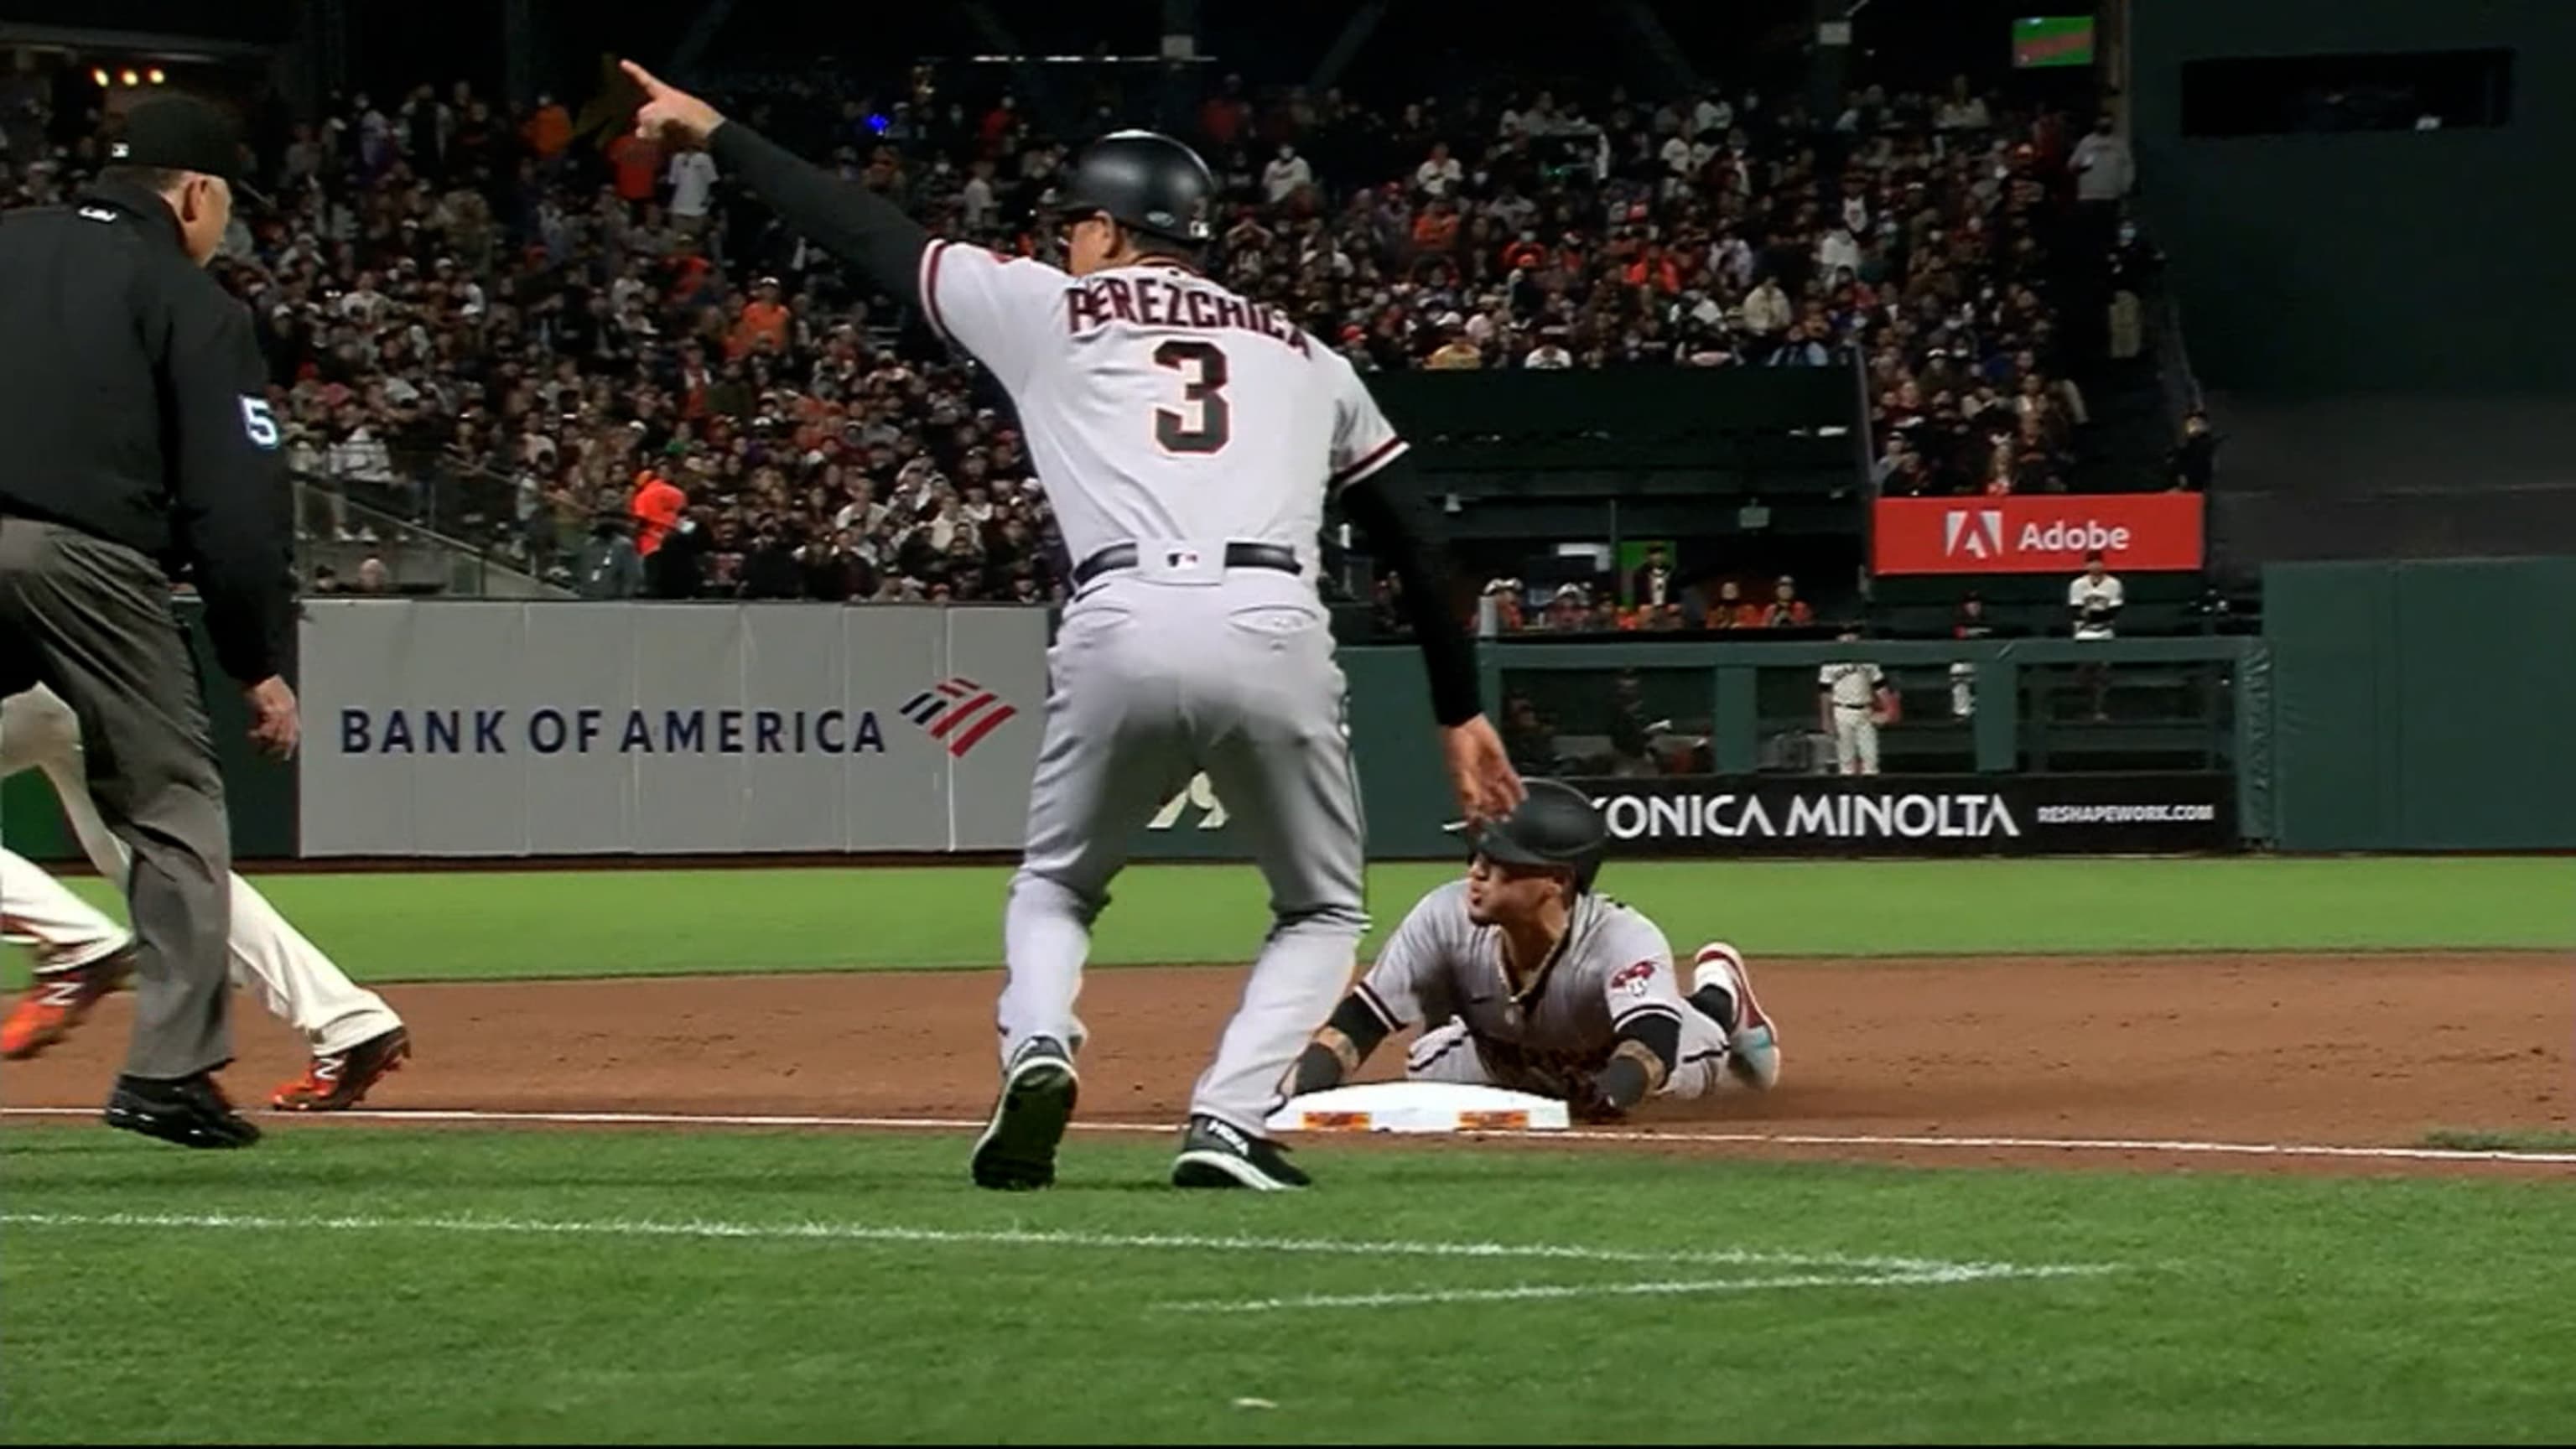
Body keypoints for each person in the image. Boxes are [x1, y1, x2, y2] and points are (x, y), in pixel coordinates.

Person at [625, 62, 1523, 1192]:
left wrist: (714, 128)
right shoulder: (1305, 352)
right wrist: (1458, 706)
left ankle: (1042, 1043)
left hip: (1121, 613)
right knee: (1321, 906)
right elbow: (1413, 538)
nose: (1062, 246)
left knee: (1056, 885)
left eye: (1070, 228)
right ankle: (1229, 1121)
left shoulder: (1049, 309)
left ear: (1105, 227)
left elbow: (861, 229)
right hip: (1273, 620)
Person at [0, 95, 299, 1150]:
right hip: (81, 554)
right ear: (197, 193)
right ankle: (167, 1076)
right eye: (229, 208)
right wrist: (254, 658)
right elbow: (235, 505)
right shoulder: (189, 298)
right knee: (171, 807)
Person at [0, 685, 411, 1109]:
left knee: (160, 863)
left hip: (27, 673)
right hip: (96, 679)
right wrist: (259, 675)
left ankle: (75, 943)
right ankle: (348, 1022)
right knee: (163, 865)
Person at [1286, 780, 1779, 1119]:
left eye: (1499, 860)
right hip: (1510, 1061)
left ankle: (1721, 997)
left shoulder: (1623, 937)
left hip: (1654, 1055)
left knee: (1687, 1066)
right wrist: (1296, 1090)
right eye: (1476, 855)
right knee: (1427, 1066)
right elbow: (1361, 1021)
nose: (1476, 872)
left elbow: (1652, 1043)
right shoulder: (1444, 915)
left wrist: (1613, 1094)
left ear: (1557, 881)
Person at [1818, 625, 1894, 776]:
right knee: (1846, 762)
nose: (1849, 638)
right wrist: (1827, 720)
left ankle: (1870, 794)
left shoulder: (1868, 661)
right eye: (1844, 635)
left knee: (1871, 760)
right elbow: (1825, 693)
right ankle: (1848, 795)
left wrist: (1888, 711)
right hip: (1842, 711)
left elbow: (1880, 687)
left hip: (1866, 711)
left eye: (1852, 634)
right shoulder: (1830, 664)